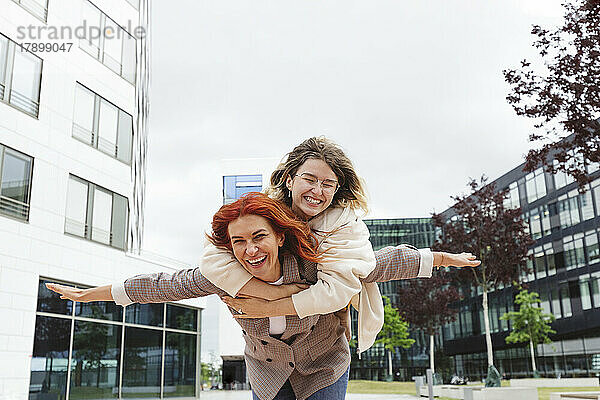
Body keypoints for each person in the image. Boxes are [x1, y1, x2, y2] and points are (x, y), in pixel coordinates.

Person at [47, 193, 480, 400]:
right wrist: (93, 294)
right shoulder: (223, 278)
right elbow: (162, 285)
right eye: (239, 242)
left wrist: (444, 256)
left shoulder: (315, 267)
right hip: (266, 372)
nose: (250, 250)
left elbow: (382, 263)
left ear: (278, 236)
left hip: (324, 365)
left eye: (259, 237)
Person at [201, 137, 435, 353]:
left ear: (336, 190)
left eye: (327, 184)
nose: (317, 191)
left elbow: (340, 288)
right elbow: (213, 256)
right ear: (289, 180)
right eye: (310, 180)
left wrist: (267, 308)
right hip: (267, 356)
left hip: (324, 348)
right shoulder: (264, 213)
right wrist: (273, 292)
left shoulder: (346, 225)